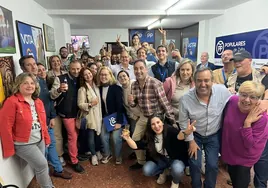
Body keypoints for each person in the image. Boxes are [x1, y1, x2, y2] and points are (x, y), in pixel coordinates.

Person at [179, 67, 231, 188]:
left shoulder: (222, 91)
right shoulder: (185, 99)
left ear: (212, 81)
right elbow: (182, 123)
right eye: (199, 80)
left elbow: (234, 102)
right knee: (195, 164)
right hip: (195, 135)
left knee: (213, 165)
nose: (203, 84)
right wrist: (190, 141)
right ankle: (196, 185)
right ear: (194, 81)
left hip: (214, 134)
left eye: (206, 80)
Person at [0, 73, 54, 188]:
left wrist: (46, 138)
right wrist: (9, 148)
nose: (30, 86)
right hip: (23, 144)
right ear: (18, 85)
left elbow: (43, 124)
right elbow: (5, 126)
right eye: (25, 83)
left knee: (41, 166)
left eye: (32, 83)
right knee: (42, 165)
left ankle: (49, 185)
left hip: (39, 140)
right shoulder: (12, 101)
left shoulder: (38, 101)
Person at [122, 114, 196, 188]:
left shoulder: (170, 130)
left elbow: (179, 136)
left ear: (162, 122)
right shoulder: (149, 136)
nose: (156, 126)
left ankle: (175, 182)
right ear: (150, 127)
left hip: (175, 159)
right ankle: (163, 172)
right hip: (161, 159)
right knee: (147, 170)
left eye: (158, 122)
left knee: (177, 169)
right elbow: (136, 146)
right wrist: (128, 138)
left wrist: (186, 132)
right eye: (153, 124)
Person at [221, 81, 268, 188]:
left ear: (258, 99)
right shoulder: (232, 101)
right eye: (244, 95)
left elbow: (249, 143)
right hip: (231, 149)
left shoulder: (262, 117)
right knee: (233, 177)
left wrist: (247, 123)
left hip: (246, 155)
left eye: (253, 97)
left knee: (240, 183)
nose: (247, 100)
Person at [37, 63, 72, 179]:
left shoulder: (44, 83)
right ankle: (46, 173)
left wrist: (52, 116)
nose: (42, 72)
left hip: (48, 119)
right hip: (39, 123)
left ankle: (58, 169)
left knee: (51, 144)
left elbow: (49, 102)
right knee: (45, 147)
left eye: (43, 69)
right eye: (38, 70)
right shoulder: (34, 85)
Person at [50, 60, 85, 173]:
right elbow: (52, 94)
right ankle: (74, 161)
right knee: (72, 136)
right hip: (66, 113)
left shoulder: (82, 78)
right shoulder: (60, 78)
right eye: (73, 69)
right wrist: (59, 89)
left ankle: (74, 154)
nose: (75, 71)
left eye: (78, 69)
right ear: (69, 68)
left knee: (77, 135)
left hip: (79, 112)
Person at [117, 70, 148, 170]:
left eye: (124, 76)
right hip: (132, 116)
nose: (123, 78)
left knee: (137, 137)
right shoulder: (121, 89)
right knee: (135, 137)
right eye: (120, 77)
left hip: (141, 115)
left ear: (128, 76)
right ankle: (139, 157)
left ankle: (142, 159)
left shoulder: (134, 85)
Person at [96, 66, 125, 164]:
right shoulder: (98, 89)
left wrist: (119, 122)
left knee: (116, 138)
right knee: (103, 137)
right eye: (101, 74)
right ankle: (107, 154)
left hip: (116, 116)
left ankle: (118, 156)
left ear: (110, 75)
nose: (103, 76)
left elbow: (120, 106)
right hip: (106, 117)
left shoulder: (116, 88)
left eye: (105, 74)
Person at [77, 68, 103, 166]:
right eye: (85, 75)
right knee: (91, 137)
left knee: (97, 136)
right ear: (83, 77)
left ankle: (97, 151)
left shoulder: (96, 86)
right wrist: (90, 104)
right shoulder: (82, 89)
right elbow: (80, 104)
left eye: (89, 73)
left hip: (98, 115)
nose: (88, 75)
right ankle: (93, 155)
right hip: (90, 116)